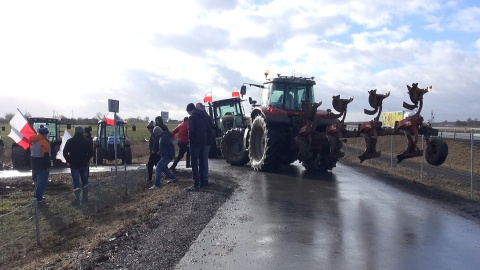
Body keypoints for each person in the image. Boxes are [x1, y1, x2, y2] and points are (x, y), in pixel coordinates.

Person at [63, 126, 94, 205]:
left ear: (75, 132)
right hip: (84, 164)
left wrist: (69, 160)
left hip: (74, 165)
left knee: (76, 182)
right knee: (85, 182)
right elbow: (91, 152)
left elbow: (65, 152)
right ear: (82, 132)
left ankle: (77, 199)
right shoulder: (87, 141)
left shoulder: (70, 141)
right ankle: (85, 198)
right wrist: (86, 159)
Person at [185, 102, 211, 191]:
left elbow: (191, 131)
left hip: (195, 143)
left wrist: (190, 141)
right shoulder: (203, 116)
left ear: (189, 111)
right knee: (202, 162)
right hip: (203, 142)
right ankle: (203, 181)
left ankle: (196, 184)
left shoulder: (192, 117)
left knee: (194, 163)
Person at [30, 125, 51, 203]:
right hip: (42, 165)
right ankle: (38, 199)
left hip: (34, 164)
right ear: (45, 134)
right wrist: (48, 166)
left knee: (37, 183)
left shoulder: (33, 141)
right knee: (41, 183)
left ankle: (37, 196)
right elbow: (46, 156)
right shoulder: (43, 142)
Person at [196, 103, 212, 187]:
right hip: (205, 141)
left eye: (198, 108)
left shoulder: (204, 117)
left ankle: (204, 179)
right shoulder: (205, 116)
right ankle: (203, 178)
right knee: (203, 160)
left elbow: (208, 129)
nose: (197, 110)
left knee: (204, 160)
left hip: (206, 142)